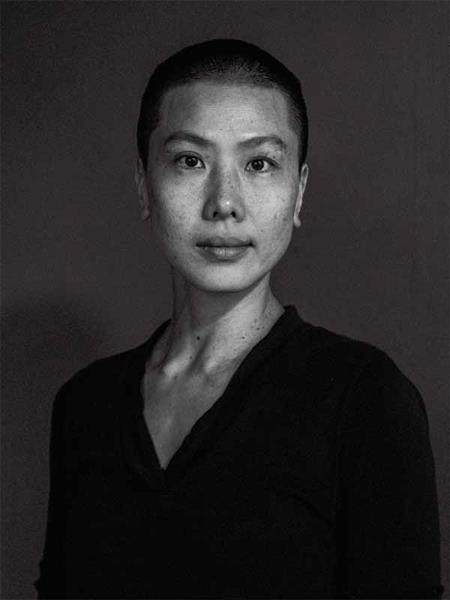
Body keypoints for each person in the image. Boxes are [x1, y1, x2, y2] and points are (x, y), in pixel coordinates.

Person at [35, 39, 443, 599]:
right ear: (144, 185)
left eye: (259, 164)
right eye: (190, 160)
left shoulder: (365, 401)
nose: (224, 202)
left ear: (298, 192)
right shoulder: (85, 406)